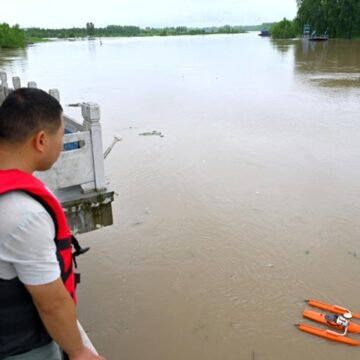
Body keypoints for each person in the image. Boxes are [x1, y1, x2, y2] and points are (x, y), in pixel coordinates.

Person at [0, 88, 106, 360]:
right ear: (41, 140)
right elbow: (51, 303)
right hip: (21, 348)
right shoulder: (23, 213)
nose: (62, 144)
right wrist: (79, 351)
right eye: (62, 136)